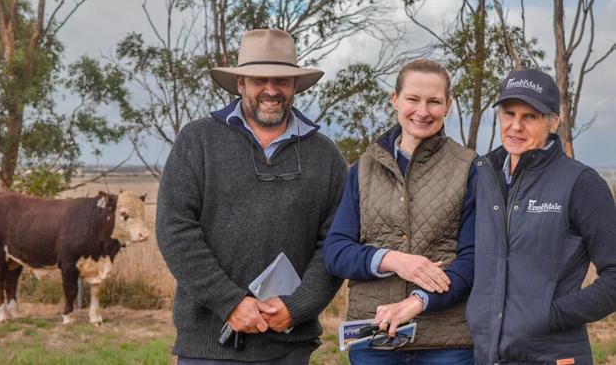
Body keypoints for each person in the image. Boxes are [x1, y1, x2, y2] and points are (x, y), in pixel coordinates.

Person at [156, 29, 347, 364]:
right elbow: (175, 230)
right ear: (241, 83)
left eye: (282, 81)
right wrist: (229, 302)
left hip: (289, 344)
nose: (271, 90)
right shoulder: (197, 141)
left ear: (295, 87)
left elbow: (335, 242)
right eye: (259, 79)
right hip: (208, 342)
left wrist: (297, 306)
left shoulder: (325, 155)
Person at [324, 59, 477, 364]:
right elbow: (336, 251)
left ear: (447, 106)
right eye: (412, 99)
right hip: (373, 337)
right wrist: (393, 260)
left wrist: (419, 301)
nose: (422, 111)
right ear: (394, 100)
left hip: (447, 343)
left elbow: (475, 259)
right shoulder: (362, 169)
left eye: (434, 101)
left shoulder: (470, 167)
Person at [466, 68, 616, 364]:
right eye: (509, 114)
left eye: (530, 116)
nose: (516, 126)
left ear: (553, 122)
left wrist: (550, 314)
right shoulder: (483, 176)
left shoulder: (581, 183)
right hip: (487, 355)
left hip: (552, 354)